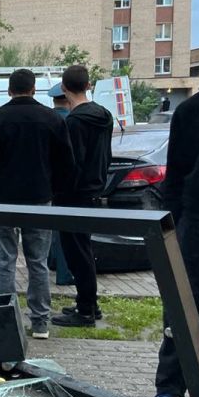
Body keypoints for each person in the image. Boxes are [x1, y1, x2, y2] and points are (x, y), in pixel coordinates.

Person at [152, 30, 199, 397]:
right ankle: (170, 388)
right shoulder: (189, 113)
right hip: (194, 227)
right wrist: (170, 232)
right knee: (181, 311)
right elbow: (175, 177)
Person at [0, 68, 74, 339]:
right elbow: (66, 163)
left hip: (1, 200)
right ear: (33, 89)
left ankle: (4, 320)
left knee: (4, 261)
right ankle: (40, 323)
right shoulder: (51, 119)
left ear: (9, 90)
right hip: (39, 199)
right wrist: (53, 190)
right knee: (38, 262)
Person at [51, 66, 113, 327]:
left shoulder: (74, 122)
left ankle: (85, 311)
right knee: (84, 249)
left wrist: (58, 189)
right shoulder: (105, 116)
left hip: (73, 195)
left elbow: (71, 164)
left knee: (77, 253)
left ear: (64, 88)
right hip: (95, 189)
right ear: (88, 86)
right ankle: (89, 303)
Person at [47, 82, 75, 287]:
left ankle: (52, 261)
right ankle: (65, 274)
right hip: (66, 182)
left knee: (49, 226)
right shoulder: (71, 121)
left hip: (45, 182)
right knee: (65, 228)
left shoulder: (46, 118)